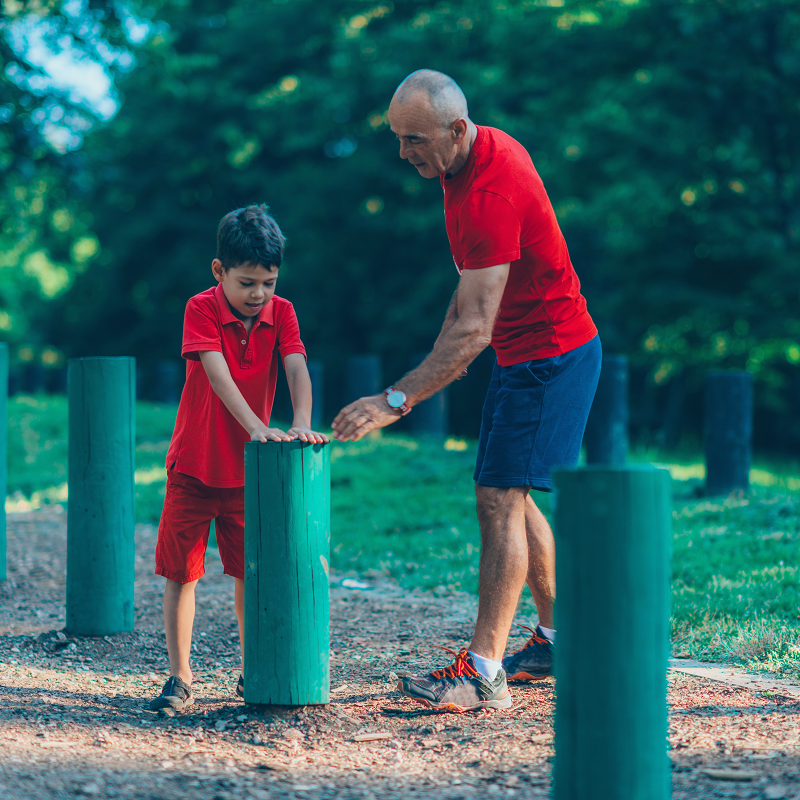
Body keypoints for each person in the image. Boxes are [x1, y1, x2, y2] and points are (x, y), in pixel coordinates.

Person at [332, 71, 601, 712]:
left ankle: (482, 672)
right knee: (510, 492)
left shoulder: (489, 192)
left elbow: (476, 327)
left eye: (414, 140)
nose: (404, 154)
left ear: (455, 130)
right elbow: (472, 293)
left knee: (498, 499)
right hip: (528, 353)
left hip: (550, 357)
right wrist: (439, 345)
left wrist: (395, 400)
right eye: (398, 139)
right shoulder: (464, 162)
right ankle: (564, 640)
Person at [149, 204, 328, 711]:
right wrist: (257, 428)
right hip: (195, 465)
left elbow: (295, 367)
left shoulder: (282, 312)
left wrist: (301, 422)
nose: (259, 295)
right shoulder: (200, 307)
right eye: (247, 282)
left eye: (268, 283)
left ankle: (254, 670)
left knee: (250, 572)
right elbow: (215, 372)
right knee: (182, 571)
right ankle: (180, 676)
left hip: (249, 473)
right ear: (219, 271)